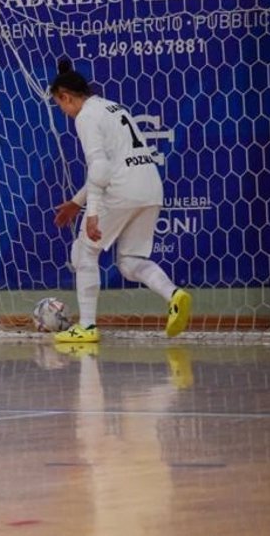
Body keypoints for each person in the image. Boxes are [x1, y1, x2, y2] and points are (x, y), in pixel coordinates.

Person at [49, 59, 193, 343]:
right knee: (129, 262)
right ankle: (174, 295)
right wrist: (77, 202)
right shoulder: (112, 107)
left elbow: (100, 168)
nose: (63, 112)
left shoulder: (85, 117)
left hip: (121, 190)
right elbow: (116, 162)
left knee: (84, 254)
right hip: (150, 187)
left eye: (59, 105)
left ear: (66, 97)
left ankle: (87, 327)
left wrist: (90, 214)